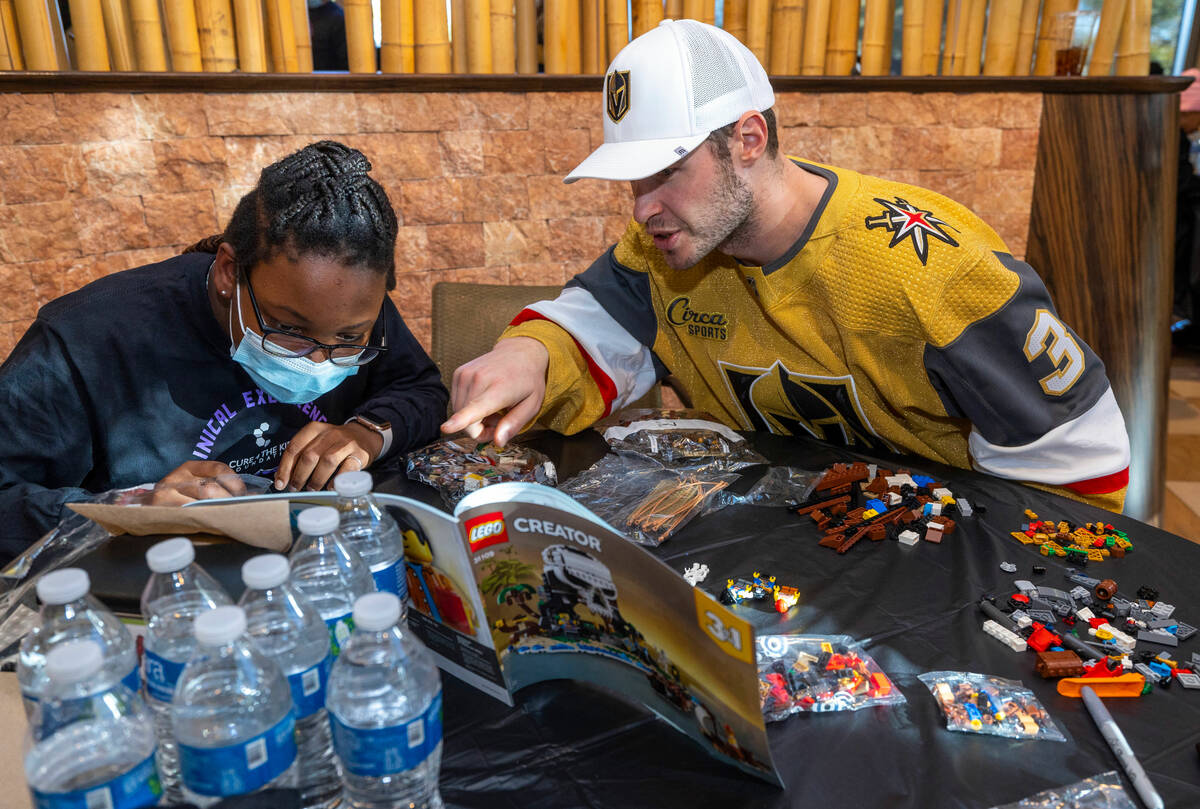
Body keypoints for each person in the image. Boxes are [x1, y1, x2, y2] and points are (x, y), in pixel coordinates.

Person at [444, 19, 1130, 512]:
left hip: (936, 555)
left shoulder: (931, 270)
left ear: (748, 138)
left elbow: (1080, 459)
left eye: (666, 173)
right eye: (633, 180)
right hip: (770, 545)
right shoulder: (668, 252)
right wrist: (528, 353)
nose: (642, 208)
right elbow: (591, 323)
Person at [0, 141, 447, 555]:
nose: (317, 361)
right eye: (288, 328)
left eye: (349, 339)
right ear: (229, 272)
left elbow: (421, 388)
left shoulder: (345, 302)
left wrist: (367, 432)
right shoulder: (85, 341)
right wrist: (133, 508)